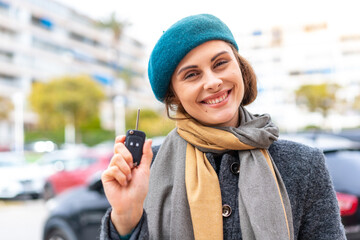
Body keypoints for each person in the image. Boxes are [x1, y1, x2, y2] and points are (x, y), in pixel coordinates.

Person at [100, 14, 346, 240]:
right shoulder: (146, 169)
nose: (213, 81)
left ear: (239, 66)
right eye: (191, 75)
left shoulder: (304, 164)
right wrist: (125, 217)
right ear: (174, 96)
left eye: (220, 63)